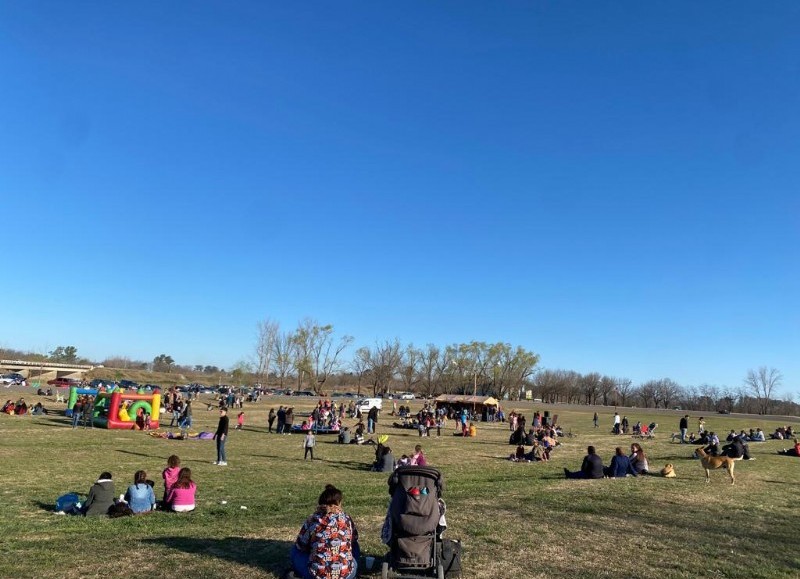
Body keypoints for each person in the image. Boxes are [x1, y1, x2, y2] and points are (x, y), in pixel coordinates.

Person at [291, 484, 360, 579]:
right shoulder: (347, 518)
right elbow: (354, 538)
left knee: (295, 551)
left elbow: (300, 545)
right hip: (346, 575)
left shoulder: (312, 520)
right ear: (339, 503)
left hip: (318, 575)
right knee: (355, 545)